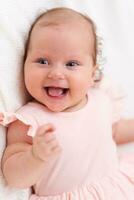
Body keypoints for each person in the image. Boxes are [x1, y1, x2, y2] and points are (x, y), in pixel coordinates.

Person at [1, 7, 134, 200]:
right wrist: (35, 157)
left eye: (71, 64)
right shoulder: (29, 121)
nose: (56, 73)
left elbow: (113, 132)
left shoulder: (101, 100)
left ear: (92, 74)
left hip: (118, 188)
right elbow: (14, 177)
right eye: (43, 61)